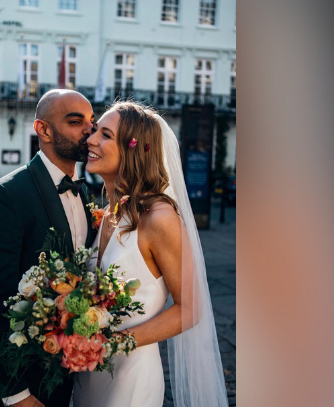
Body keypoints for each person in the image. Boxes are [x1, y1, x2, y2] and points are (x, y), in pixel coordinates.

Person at [73, 101, 228, 407]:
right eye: (95, 131)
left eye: (105, 135)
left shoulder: (158, 218)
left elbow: (191, 308)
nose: (90, 139)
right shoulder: (109, 214)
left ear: (132, 150)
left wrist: (112, 344)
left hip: (131, 377)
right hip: (91, 373)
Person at [0, 89, 98, 407]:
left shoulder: (89, 194)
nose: (89, 130)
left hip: (62, 373)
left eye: (92, 121)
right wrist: (16, 393)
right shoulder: (4, 196)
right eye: (76, 121)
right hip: (15, 382)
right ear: (44, 130)